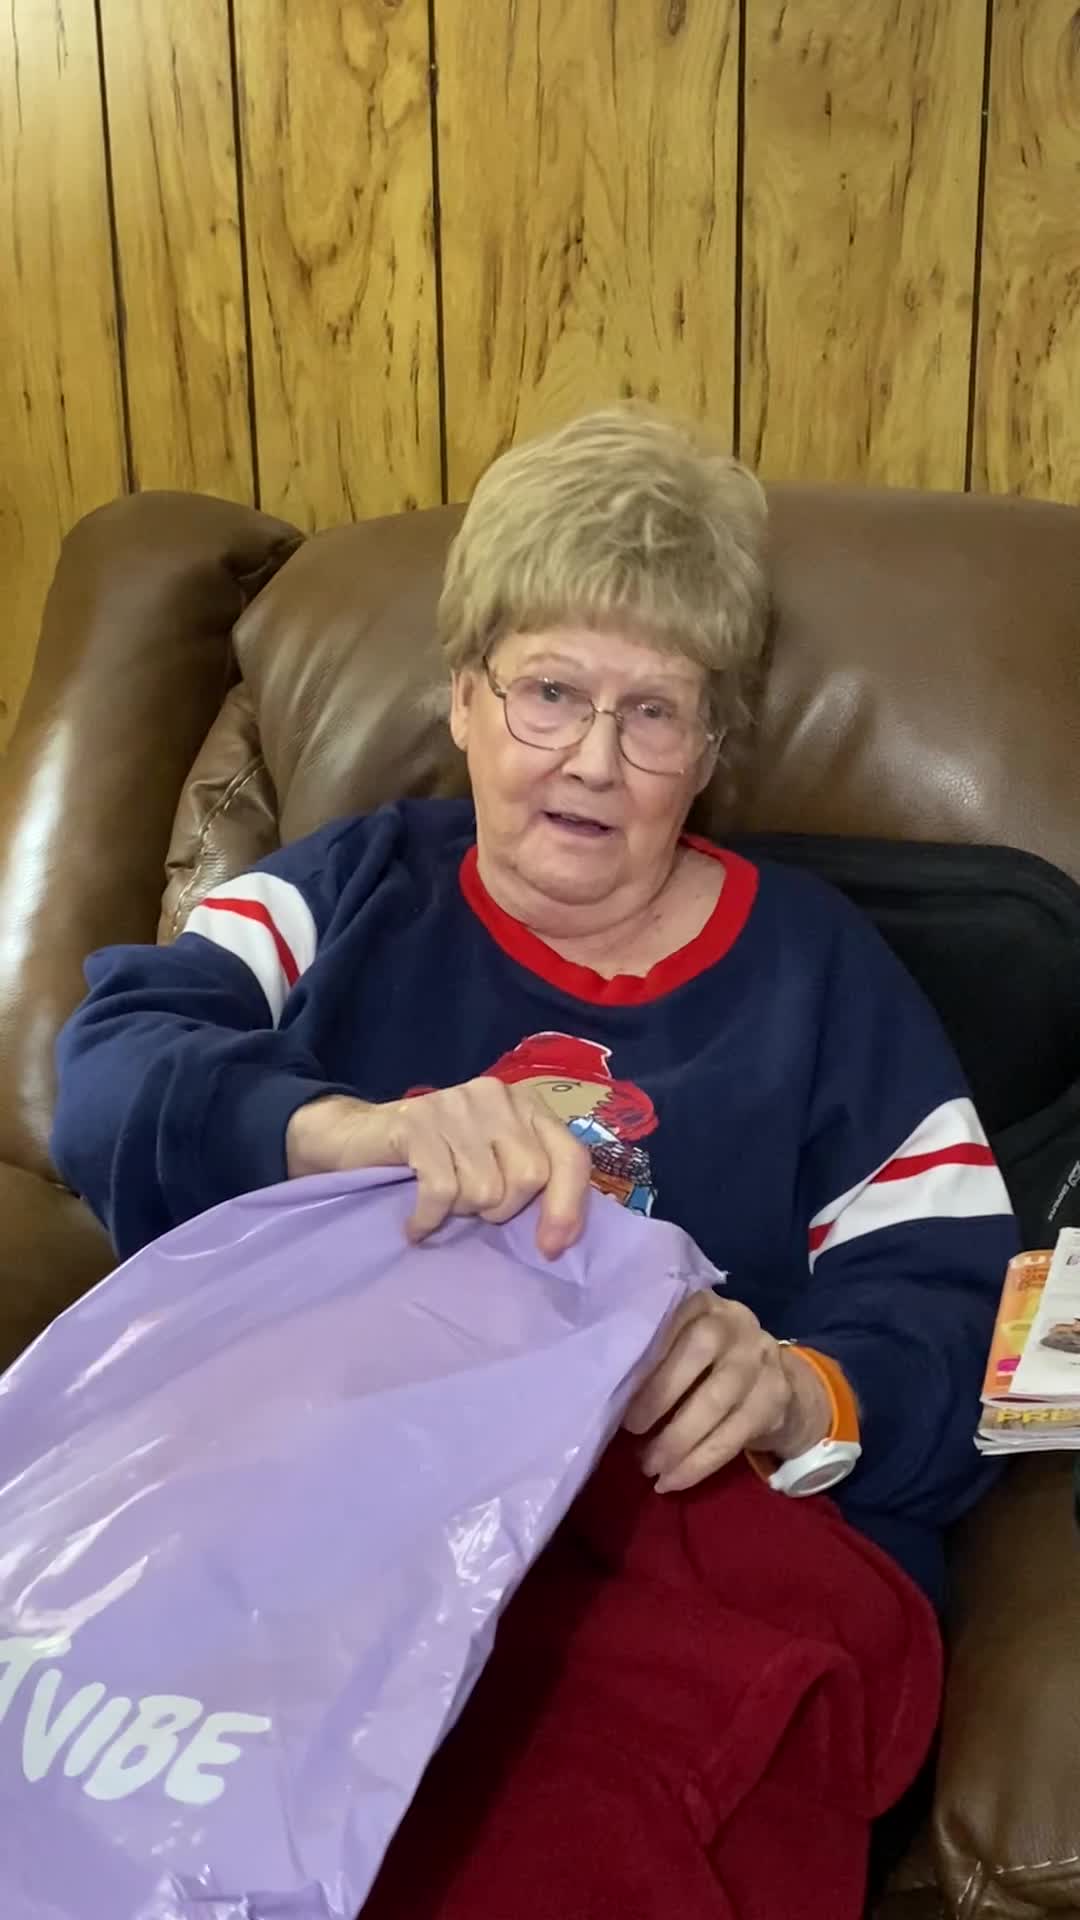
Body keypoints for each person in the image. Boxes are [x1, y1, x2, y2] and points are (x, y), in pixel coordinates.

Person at [51, 407, 1017, 1608]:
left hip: (654, 1564)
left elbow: (958, 1301)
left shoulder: (818, 974)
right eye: (550, 692)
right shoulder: (341, 894)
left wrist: (796, 1390)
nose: (594, 762)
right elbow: (104, 1074)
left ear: (710, 747)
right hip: (319, 1516)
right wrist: (345, 1133)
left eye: (654, 712)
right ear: (464, 699)